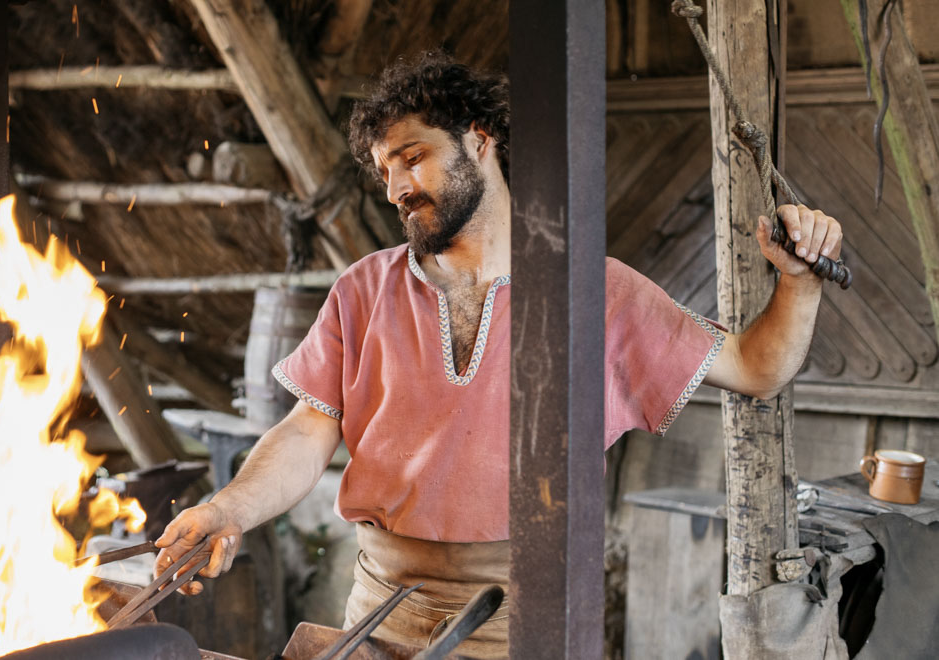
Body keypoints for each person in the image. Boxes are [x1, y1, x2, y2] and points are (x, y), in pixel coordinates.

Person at [154, 51, 842, 657]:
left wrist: (799, 280)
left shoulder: (594, 292)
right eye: (384, 172)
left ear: (477, 142)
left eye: (412, 158)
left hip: (523, 616)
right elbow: (309, 428)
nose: (395, 188)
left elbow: (757, 367)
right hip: (380, 608)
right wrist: (229, 510)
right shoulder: (365, 289)